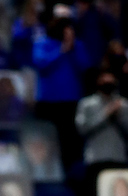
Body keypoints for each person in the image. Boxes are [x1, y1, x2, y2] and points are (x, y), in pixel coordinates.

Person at [33, 9, 90, 169]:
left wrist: (71, 48)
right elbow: (41, 64)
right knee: (48, 141)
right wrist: (62, 50)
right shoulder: (42, 43)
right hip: (49, 102)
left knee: (70, 143)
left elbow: (84, 66)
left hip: (71, 102)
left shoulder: (78, 46)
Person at [76, 72, 128, 196]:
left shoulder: (123, 105)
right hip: (96, 159)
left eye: (111, 81)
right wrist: (106, 114)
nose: (108, 83)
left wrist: (119, 116)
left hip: (118, 158)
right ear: (98, 82)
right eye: (105, 80)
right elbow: (83, 129)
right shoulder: (87, 105)